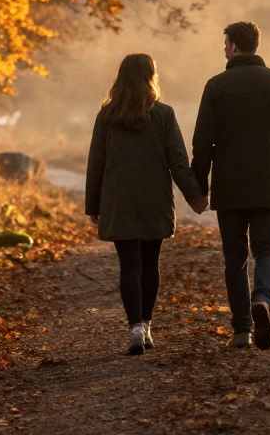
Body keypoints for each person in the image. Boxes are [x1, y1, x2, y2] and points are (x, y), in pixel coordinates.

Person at [191, 22, 270, 350]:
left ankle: (241, 330)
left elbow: (203, 143)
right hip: (269, 184)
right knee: (267, 250)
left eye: (225, 43)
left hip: (230, 188)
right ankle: (263, 301)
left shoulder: (216, 86)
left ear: (235, 46)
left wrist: (200, 186)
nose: (223, 48)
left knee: (235, 256)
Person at [85, 54, 207, 356]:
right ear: (151, 77)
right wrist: (195, 196)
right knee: (150, 263)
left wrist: (93, 204)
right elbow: (178, 161)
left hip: (118, 200)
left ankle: (135, 328)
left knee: (130, 265)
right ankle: (148, 325)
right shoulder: (163, 114)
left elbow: (96, 163)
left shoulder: (107, 115)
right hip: (154, 199)